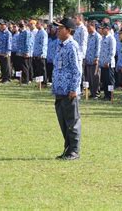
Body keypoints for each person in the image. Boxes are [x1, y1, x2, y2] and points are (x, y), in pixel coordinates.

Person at [52, 18, 82, 161]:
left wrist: (74, 89)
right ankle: (67, 149)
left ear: (68, 31)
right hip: (59, 89)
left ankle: (74, 151)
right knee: (63, 122)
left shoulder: (72, 46)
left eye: (60, 28)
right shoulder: (60, 45)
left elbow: (77, 70)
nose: (57, 31)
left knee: (72, 122)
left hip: (69, 91)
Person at [99, 23, 117, 101]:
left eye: (104, 28)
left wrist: (108, 61)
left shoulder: (111, 38)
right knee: (104, 80)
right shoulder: (102, 38)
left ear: (108, 29)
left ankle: (110, 95)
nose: (102, 30)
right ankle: (106, 94)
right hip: (102, 63)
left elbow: (112, 51)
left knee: (110, 80)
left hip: (109, 63)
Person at [84, 21, 101, 99]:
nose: (87, 29)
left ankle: (96, 93)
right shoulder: (88, 36)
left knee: (95, 77)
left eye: (88, 27)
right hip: (88, 59)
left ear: (93, 27)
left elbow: (98, 48)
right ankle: (92, 92)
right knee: (89, 77)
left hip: (94, 60)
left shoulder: (97, 36)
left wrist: (97, 57)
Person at [32, 20, 48, 84]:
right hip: (36, 53)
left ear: (41, 24)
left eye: (37, 24)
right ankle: (39, 83)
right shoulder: (38, 32)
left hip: (41, 54)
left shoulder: (43, 33)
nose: (36, 25)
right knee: (38, 69)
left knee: (42, 69)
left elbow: (44, 44)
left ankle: (44, 83)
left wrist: (42, 53)